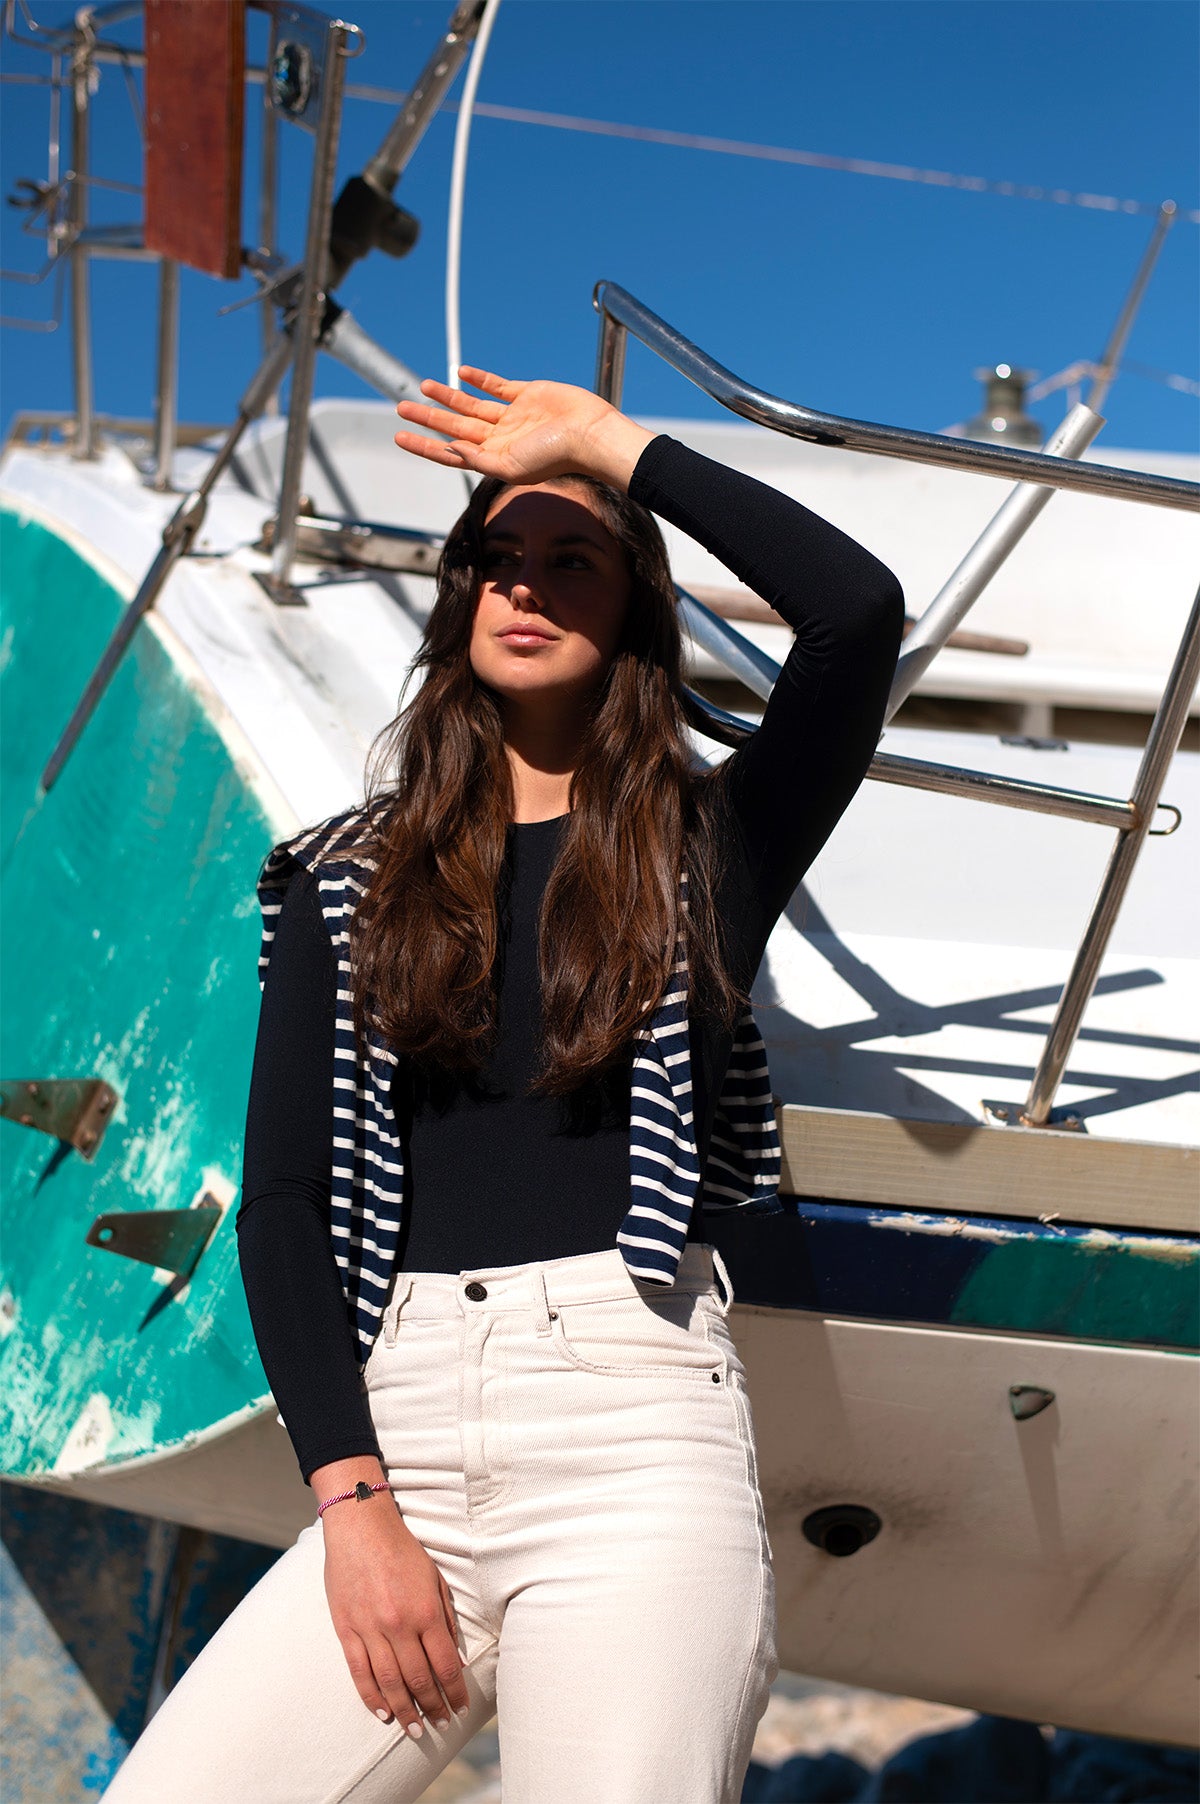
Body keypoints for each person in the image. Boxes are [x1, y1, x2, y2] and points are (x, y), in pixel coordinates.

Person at [103, 369, 904, 1804]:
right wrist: (354, 1503)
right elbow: (283, 1205)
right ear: (459, 601)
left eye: (571, 560)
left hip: (632, 1440)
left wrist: (609, 446)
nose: (524, 587)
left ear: (635, 612)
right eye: (496, 560)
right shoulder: (342, 880)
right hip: (397, 1436)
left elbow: (857, 614)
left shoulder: (708, 846)